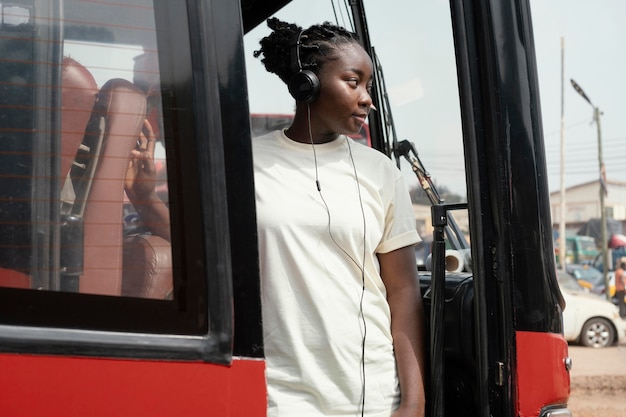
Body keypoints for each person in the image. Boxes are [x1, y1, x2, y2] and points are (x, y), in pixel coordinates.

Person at [252, 18, 426, 417]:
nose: (367, 99)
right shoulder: (247, 164)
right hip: (278, 397)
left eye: (370, 87)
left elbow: (403, 293)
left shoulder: (381, 171)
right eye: (354, 82)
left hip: (372, 396)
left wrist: (414, 402)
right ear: (306, 84)